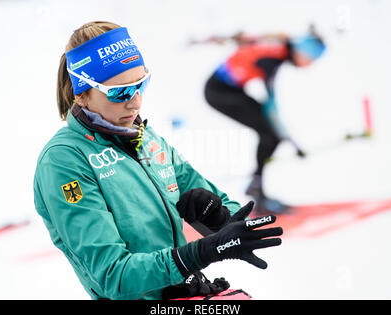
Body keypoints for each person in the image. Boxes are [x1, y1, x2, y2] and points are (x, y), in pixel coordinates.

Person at [33, 21, 283, 300]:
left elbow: (228, 211)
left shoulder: (144, 137)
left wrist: (218, 218)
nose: (135, 102)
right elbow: (113, 276)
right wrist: (198, 253)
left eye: (141, 84)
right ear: (81, 94)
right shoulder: (64, 160)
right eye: (119, 92)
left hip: (184, 292)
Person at [202, 26, 326, 215]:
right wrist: (291, 141)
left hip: (229, 89)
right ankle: (258, 191)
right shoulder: (273, 59)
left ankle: (256, 186)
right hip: (219, 92)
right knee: (269, 133)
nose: (308, 65)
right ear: (301, 52)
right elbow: (272, 106)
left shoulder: (281, 46)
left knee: (270, 133)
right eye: (310, 59)